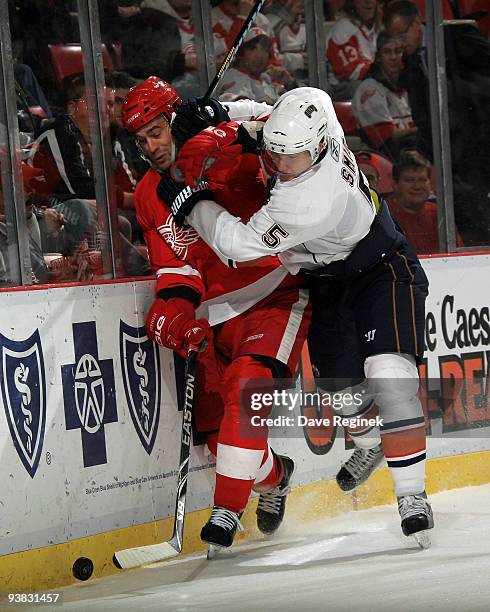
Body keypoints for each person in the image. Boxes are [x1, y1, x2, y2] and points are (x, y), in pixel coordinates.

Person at [163, 86, 434, 544]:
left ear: (321, 146)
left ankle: (412, 496)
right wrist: (222, 113)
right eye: (278, 155)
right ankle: (369, 443)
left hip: (382, 267)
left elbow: (234, 246)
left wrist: (192, 204)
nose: (283, 167)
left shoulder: (309, 200)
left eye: (294, 159)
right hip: (326, 281)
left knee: (388, 374)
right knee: (346, 398)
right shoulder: (315, 107)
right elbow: (269, 113)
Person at [121, 77, 311, 551]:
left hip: (275, 293)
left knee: (246, 391)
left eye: (159, 131)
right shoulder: (151, 192)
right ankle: (276, 477)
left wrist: (225, 121)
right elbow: (176, 268)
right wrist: (174, 313)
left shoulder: (227, 148)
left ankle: (226, 510)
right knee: (218, 442)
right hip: (216, 314)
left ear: (176, 119)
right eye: (142, 140)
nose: (153, 147)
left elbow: (295, 134)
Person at [384, 0, 490, 246]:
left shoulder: (455, 34)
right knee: (466, 213)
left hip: (478, 140)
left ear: (416, 25)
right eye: (394, 36)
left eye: (401, 34)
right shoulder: (410, 61)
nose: (399, 42)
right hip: (447, 152)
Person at [352, 31, 416, 160]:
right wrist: (422, 129)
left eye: (398, 51)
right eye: (387, 52)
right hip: (386, 157)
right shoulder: (370, 89)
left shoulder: (409, 84)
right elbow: (385, 137)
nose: (393, 57)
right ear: (379, 57)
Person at [388, 150, 463, 254]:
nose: (417, 186)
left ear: (430, 183)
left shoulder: (439, 214)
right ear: (395, 184)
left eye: (422, 180)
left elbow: (457, 256)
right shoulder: (385, 216)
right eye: (410, 180)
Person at [326, 0, 382, 100]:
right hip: (343, 90)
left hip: (372, 82)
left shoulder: (379, 28)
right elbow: (350, 72)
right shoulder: (343, 28)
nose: (368, 2)